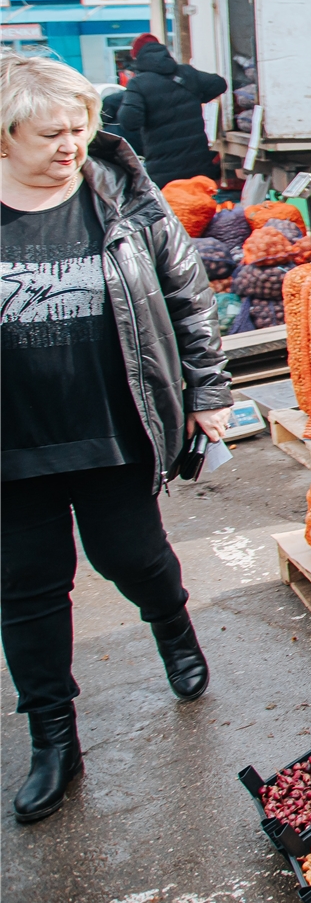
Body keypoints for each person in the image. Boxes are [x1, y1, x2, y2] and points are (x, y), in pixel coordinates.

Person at [0, 55, 233, 824]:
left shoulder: (122, 192)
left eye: (78, 127)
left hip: (114, 422)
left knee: (132, 555)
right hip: (14, 442)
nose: (70, 144)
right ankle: (53, 738)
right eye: (50, 133)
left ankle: (172, 623)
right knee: (27, 590)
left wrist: (208, 395)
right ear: (4, 137)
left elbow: (187, 295)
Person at [117, 33, 228, 187]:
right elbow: (219, 84)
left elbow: (129, 122)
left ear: (137, 57)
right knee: (201, 205)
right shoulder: (187, 73)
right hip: (198, 163)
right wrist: (196, 98)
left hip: (163, 169)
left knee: (173, 206)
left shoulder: (138, 84)